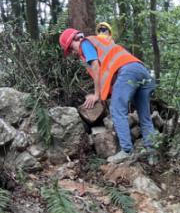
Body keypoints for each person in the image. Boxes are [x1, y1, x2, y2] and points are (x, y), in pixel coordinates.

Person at [59, 23, 156, 164]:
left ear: (75, 39)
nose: (73, 53)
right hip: (141, 71)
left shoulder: (85, 44)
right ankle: (152, 154)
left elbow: (96, 67)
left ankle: (127, 151)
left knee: (117, 109)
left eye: (70, 49)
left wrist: (97, 95)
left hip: (128, 71)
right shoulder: (101, 42)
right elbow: (111, 75)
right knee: (144, 115)